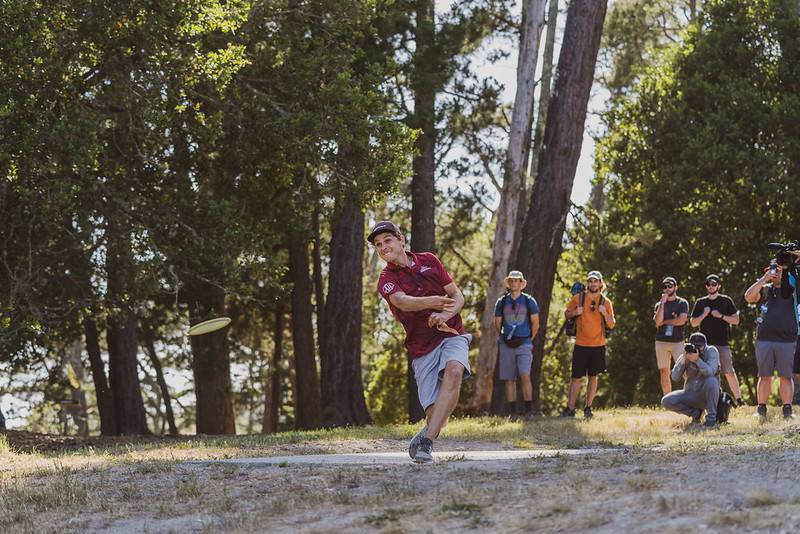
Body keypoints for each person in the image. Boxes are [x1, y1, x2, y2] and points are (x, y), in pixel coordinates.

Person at [369, 220, 471, 463]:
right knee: (437, 416)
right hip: (422, 347)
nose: (383, 247)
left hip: (451, 333)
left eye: (388, 240)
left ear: (401, 240)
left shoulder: (429, 261)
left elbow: (457, 295)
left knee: (455, 372)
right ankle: (429, 432)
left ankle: (426, 442)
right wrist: (432, 302)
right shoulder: (386, 279)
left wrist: (445, 314)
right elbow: (402, 301)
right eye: (378, 245)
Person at [744, 260, 798, 421]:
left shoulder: (792, 290)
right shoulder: (765, 289)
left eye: (778, 270)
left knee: (785, 376)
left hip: (787, 339)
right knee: (764, 375)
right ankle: (761, 409)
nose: (775, 273)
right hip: (764, 339)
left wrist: (787, 274)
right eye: (772, 270)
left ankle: (787, 409)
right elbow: (748, 297)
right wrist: (764, 279)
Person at [562, 270, 615, 419]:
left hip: (598, 345)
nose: (593, 284)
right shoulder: (578, 298)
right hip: (580, 344)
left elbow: (611, 324)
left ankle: (588, 408)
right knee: (576, 378)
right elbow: (567, 313)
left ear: (600, 283)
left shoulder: (606, 302)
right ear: (588, 283)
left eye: (595, 281)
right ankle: (570, 409)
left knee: (593, 377)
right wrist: (575, 313)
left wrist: (605, 313)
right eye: (590, 281)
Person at [690, 274, 744, 407]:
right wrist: (704, 314)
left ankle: (739, 400)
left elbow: (736, 320)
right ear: (706, 286)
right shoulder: (700, 302)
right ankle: (698, 400)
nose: (711, 286)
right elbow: (693, 323)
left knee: (729, 371)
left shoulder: (726, 300)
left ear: (719, 285)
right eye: (709, 284)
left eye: (714, 284)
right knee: (702, 373)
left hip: (722, 343)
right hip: (704, 346)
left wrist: (720, 316)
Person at [494, 270, 540, 418]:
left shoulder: (529, 301)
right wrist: (505, 338)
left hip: (525, 344)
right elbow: (497, 323)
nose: (514, 283)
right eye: (512, 281)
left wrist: (528, 339)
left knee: (525, 375)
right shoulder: (501, 302)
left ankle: (529, 410)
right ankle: (512, 412)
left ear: (521, 283)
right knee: (509, 379)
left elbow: (536, 324)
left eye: (517, 281)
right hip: (506, 343)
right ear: (509, 283)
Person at [661, 332, 720, 428]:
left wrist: (697, 360)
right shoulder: (686, 354)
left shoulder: (711, 351)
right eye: (694, 346)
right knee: (666, 401)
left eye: (699, 347)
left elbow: (710, 372)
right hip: (691, 393)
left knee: (711, 381)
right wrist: (683, 360)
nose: (697, 349)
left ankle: (711, 419)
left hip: (708, 394)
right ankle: (696, 414)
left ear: (705, 345)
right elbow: (675, 378)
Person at [653, 276, 689, 396]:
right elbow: (658, 322)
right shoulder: (659, 304)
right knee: (664, 371)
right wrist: (662, 304)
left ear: (676, 287)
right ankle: (667, 399)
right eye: (665, 286)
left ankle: (690, 396)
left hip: (678, 342)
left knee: (685, 370)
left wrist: (666, 322)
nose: (667, 288)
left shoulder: (682, 303)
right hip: (661, 342)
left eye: (670, 286)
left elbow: (681, 320)